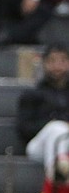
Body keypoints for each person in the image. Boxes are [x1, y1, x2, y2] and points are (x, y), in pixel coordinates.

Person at [17, 43, 69, 179]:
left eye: (62, 61)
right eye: (52, 61)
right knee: (56, 129)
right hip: (38, 145)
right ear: (44, 64)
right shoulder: (32, 94)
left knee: (61, 133)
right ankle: (56, 180)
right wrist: (51, 124)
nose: (57, 66)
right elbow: (24, 128)